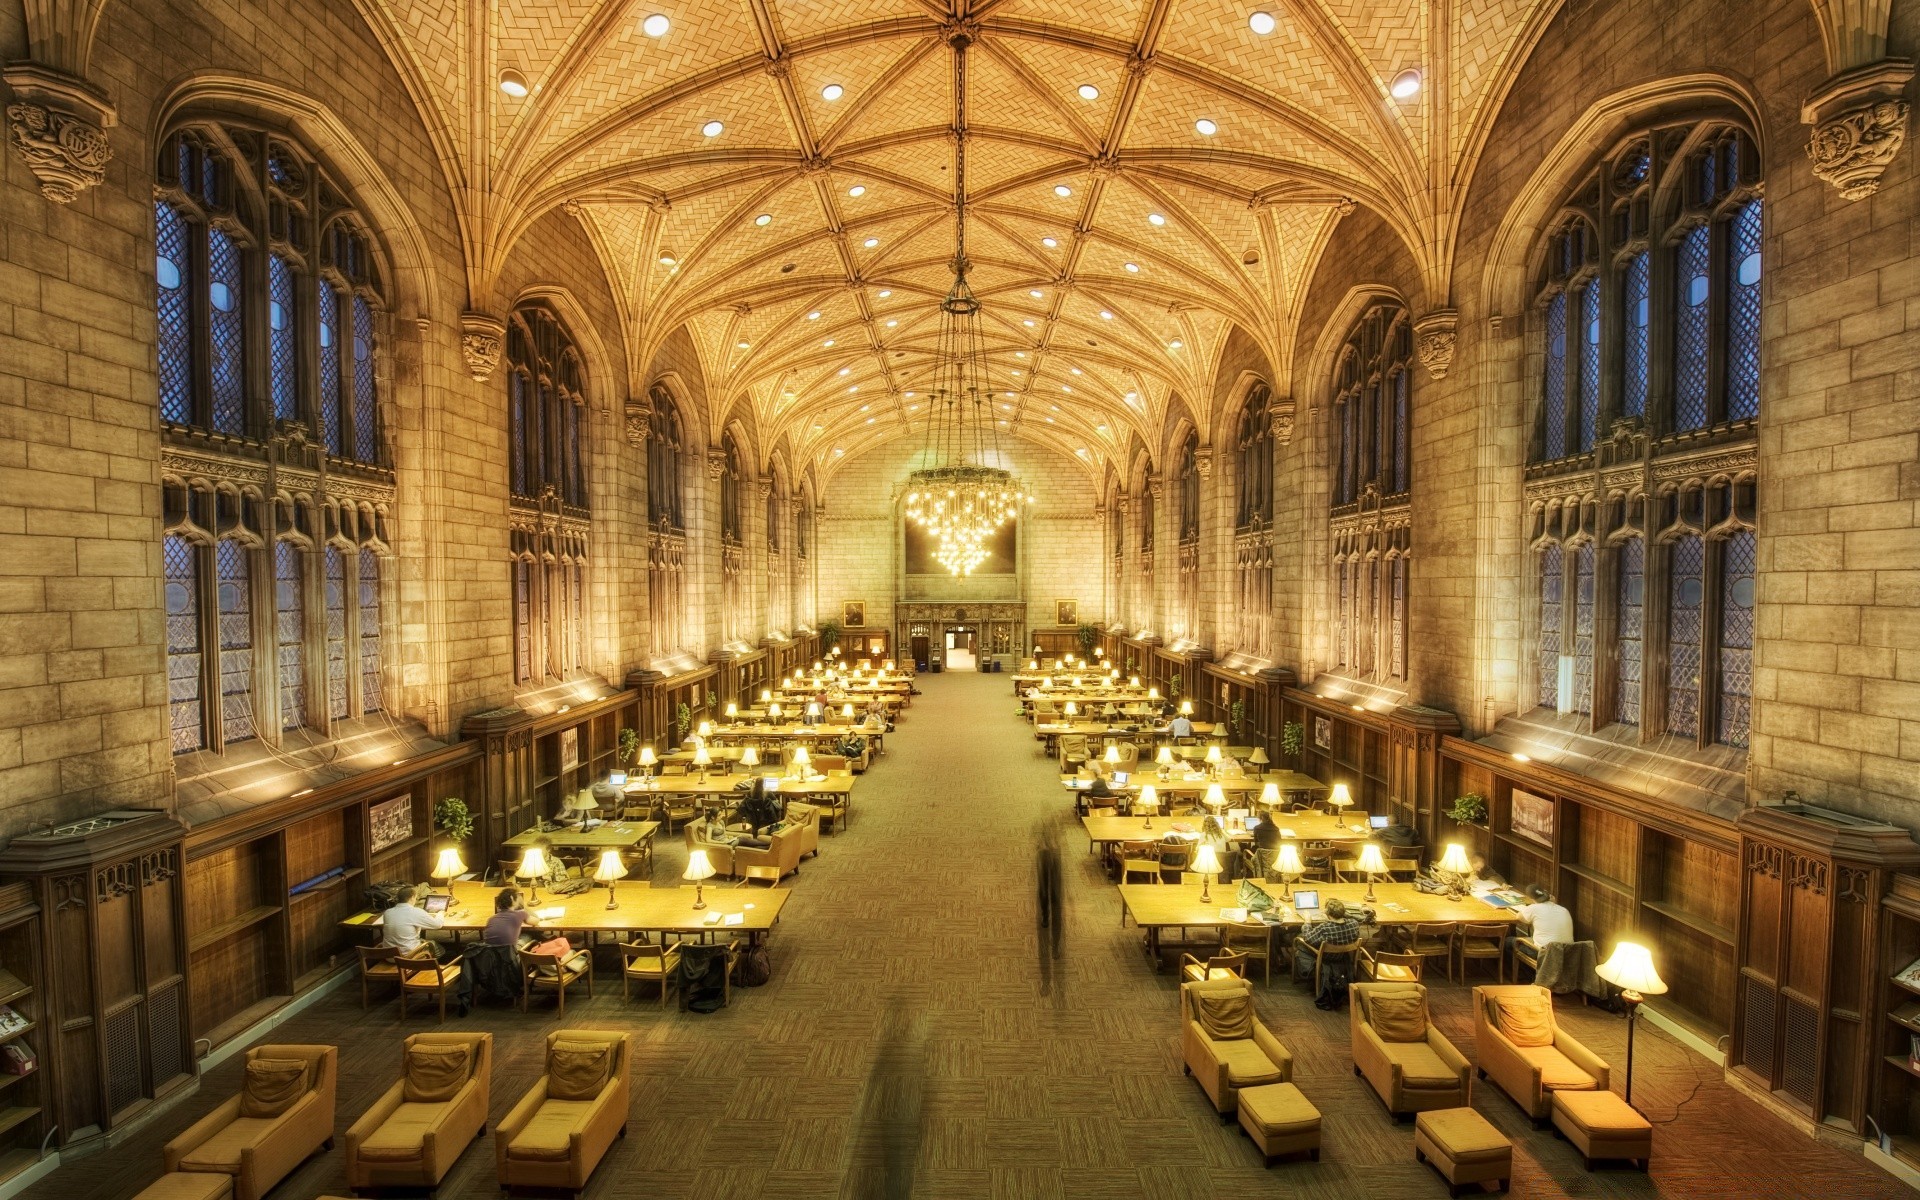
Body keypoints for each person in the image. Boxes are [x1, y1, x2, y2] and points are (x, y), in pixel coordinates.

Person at [1293, 897, 1361, 1004]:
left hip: (1325, 956)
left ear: (1328, 914)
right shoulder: (1354, 924)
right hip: (1342, 956)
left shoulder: (1325, 928)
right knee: (1318, 940)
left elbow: (1308, 938)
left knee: (1298, 939)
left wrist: (1307, 922)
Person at [381, 885, 445, 957]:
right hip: (408, 956)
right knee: (437, 947)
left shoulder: (387, 912)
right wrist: (440, 914)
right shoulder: (416, 912)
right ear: (412, 897)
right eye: (416, 897)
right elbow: (438, 924)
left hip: (389, 956)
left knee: (419, 940)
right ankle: (428, 965)